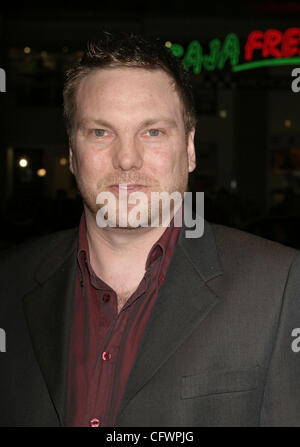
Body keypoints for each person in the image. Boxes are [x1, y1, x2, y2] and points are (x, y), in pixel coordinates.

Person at [1, 31, 300, 427]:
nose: (126, 158)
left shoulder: (278, 285)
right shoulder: (9, 279)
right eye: (100, 132)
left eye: (153, 131)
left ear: (190, 149)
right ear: (72, 155)